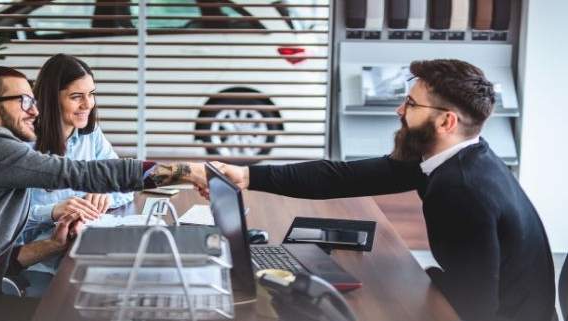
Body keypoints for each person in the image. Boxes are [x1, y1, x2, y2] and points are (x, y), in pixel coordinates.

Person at [214, 59, 555, 321]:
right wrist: (247, 176)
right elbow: (341, 176)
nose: (400, 111)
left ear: (446, 121)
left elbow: (477, 308)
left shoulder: (460, 189)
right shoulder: (457, 157)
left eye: (411, 104)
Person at [0, 66, 206, 321]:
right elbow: (83, 173)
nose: (35, 110)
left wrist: (52, 245)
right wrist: (188, 172)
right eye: (25, 101)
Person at [17, 54, 134, 292]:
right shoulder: (23, 146)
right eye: (76, 96)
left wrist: (106, 196)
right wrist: (53, 212)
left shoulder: (90, 135)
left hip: (83, 250)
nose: (88, 104)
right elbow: (6, 219)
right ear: (51, 99)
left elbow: (125, 182)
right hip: (39, 264)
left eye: (91, 94)